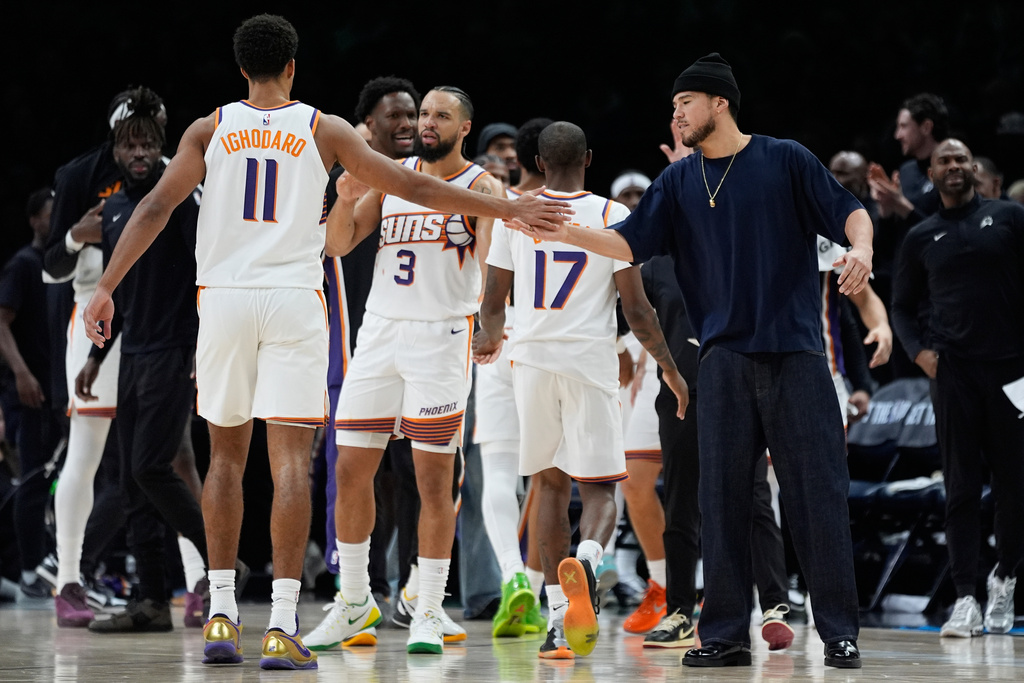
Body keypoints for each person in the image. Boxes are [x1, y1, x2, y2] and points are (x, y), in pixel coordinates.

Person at [82, 15, 566, 670]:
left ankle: (222, 613)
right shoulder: (323, 127)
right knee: (291, 460)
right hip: (292, 300)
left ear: (242, 69)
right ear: (292, 68)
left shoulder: (209, 127)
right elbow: (415, 185)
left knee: (223, 457)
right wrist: (509, 207)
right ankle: (283, 622)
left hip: (223, 297)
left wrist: (107, 285)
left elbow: (153, 209)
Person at [518, 53, 870, 670]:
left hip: (796, 355)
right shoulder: (680, 183)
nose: (675, 114)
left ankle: (840, 631)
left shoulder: (784, 157)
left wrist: (861, 248)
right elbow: (627, 242)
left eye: (684, 103)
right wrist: (564, 232)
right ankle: (726, 633)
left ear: (719, 103)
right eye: (674, 106)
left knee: (818, 496)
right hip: (724, 360)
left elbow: (850, 212)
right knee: (722, 500)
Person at [475, 121, 688, 661]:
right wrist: (667, 367)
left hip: (533, 360)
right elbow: (637, 310)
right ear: (589, 159)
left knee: (547, 486)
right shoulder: (614, 216)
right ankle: (589, 564)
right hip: (590, 362)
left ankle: (553, 625)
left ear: (539, 164)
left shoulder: (514, 214)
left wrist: (488, 337)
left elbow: (495, 298)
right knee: (600, 491)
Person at [79, 98, 209, 634]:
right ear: (115, 150)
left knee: (151, 468)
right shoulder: (111, 211)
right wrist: (94, 357)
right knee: (131, 482)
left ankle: (219, 558)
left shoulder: (179, 197)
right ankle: (152, 601)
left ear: (162, 146)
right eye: (130, 145)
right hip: (131, 354)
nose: (140, 153)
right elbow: (122, 297)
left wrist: (205, 347)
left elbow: (206, 270)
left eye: (149, 144)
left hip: (175, 350)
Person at [891, 138, 1024, 639]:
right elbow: (901, 306)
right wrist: (922, 353)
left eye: (960, 159)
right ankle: (966, 597)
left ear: (974, 168)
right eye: (943, 160)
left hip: (1013, 373)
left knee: (1015, 487)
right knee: (961, 488)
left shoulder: (1009, 218)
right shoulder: (920, 237)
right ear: (932, 171)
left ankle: (1006, 577)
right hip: (955, 376)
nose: (953, 166)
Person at [308, 75, 422, 650]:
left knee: (418, 474)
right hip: (356, 342)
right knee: (353, 469)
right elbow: (328, 245)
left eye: (413, 115)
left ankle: (416, 593)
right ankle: (359, 589)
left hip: (426, 343)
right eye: (393, 117)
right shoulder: (343, 177)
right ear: (366, 127)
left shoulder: (431, 177)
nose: (406, 124)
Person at [474, 115, 552, 639]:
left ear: (519, 158)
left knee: (498, 470)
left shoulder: (502, 210)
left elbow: (488, 280)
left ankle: (511, 575)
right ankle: (540, 586)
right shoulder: (592, 212)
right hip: (556, 342)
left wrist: (488, 330)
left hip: (502, 337)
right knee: (550, 477)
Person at [0, 187, 61, 600]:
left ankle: (50, 564)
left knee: (50, 479)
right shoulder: (22, 265)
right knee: (32, 479)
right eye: (49, 214)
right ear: (34, 219)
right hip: (28, 391)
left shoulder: (58, 265)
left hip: (57, 390)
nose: (55, 221)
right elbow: (1, 324)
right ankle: (26, 569)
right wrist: (22, 374)